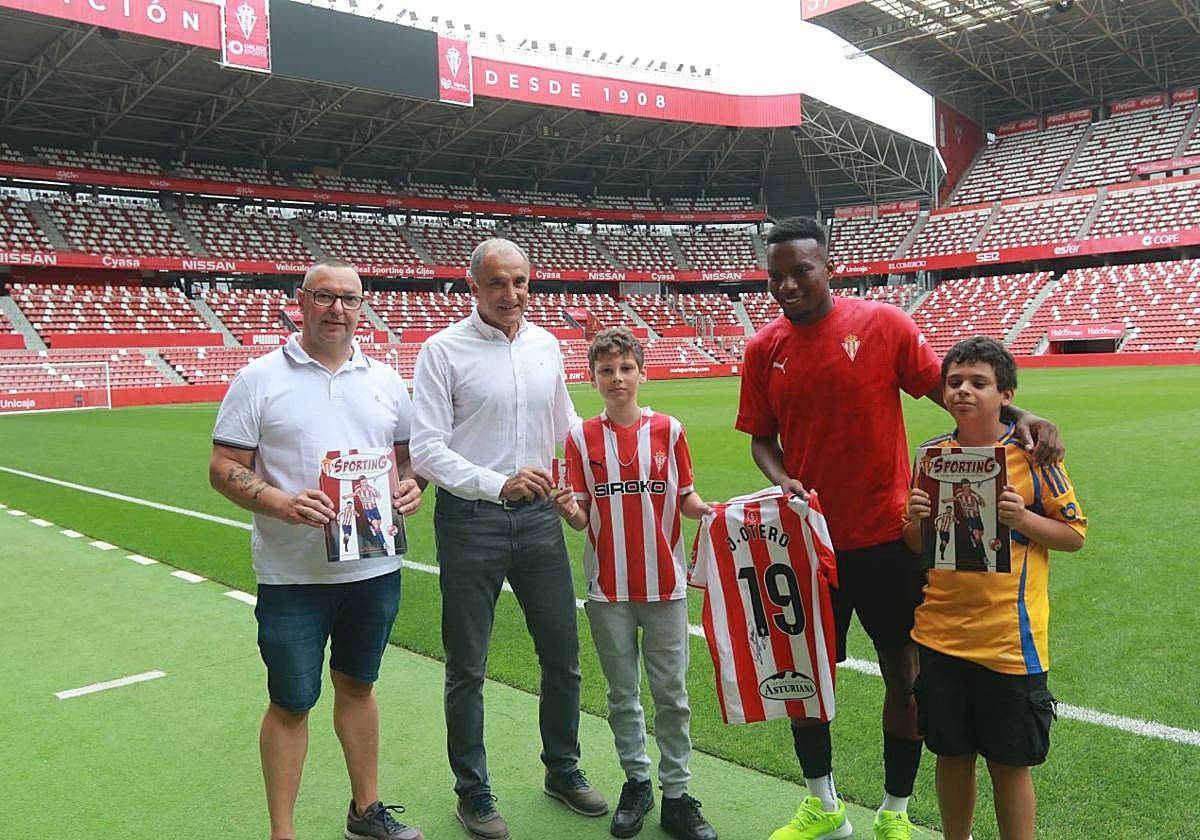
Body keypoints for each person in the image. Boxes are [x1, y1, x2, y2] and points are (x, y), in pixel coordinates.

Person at [735, 217, 1063, 840]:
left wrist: (1020, 413)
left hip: (890, 538)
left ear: (828, 266)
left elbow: (953, 393)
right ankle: (822, 804)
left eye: (799, 271)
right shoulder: (763, 350)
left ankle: (894, 809)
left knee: (905, 675)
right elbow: (761, 439)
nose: (786, 285)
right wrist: (783, 480)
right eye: (775, 276)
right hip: (810, 544)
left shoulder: (883, 325)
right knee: (807, 677)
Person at [210, 259, 425, 840]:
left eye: (349, 299)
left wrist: (411, 484)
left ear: (363, 307)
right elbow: (224, 466)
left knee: (358, 685)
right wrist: (281, 503)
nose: (337, 308)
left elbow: (408, 457)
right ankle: (284, 832)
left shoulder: (384, 379)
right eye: (325, 296)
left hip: (375, 566)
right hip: (292, 575)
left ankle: (366, 811)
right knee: (291, 702)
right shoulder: (258, 378)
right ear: (300, 302)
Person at [409, 238, 608, 840]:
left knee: (563, 658)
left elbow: (567, 426)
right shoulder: (442, 351)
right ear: (473, 286)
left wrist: (602, 472)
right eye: (498, 283)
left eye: (520, 282)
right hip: (471, 522)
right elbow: (426, 448)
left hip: (542, 519)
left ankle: (562, 768)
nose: (511, 294)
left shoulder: (546, 344)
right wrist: (499, 484)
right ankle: (472, 791)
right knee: (467, 665)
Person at [902, 336, 1087, 840]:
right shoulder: (933, 455)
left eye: (978, 383)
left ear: (1006, 394)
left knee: (1009, 764)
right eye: (955, 382)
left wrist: (1022, 518)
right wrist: (915, 520)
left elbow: (1073, 535)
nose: (963, 391)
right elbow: (919, 543)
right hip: (940, 635)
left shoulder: (1035, 456)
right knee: (951, 754)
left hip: (1009, 641)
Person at [553, 327, 717, 840]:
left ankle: (678, 793)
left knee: (672, 695)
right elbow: (582, 517)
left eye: (626, 369)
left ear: (642, 374)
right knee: (622, 693)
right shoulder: (580, 437)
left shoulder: (669, 429)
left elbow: (686, 496)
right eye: (607, 370)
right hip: (609, 590)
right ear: (593, 377)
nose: (617, 378)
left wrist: (709, 512)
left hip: (666, 586)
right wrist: (567, 508)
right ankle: (637, 781)